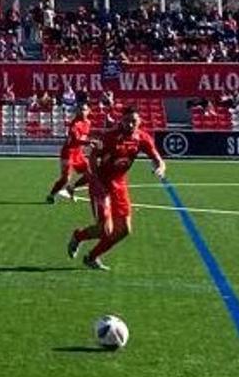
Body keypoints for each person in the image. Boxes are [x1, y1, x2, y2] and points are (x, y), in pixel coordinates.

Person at [66, 108, 166, 271]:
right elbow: (92, 156)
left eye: (134, 120)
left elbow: (157, 158)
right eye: (127, 120)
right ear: (121, 121)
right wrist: (95, 179)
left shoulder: (142, 138)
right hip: (101, 184)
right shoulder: (110, 137)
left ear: (140, 121)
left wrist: (161, 166)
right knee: (106, 229)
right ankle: (78, 236)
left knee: (124, 230)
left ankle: (92, 257)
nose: (130, 124)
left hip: (119, 184)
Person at [46, 102, 92, 204]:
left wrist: (89, 144)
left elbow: (84, 138)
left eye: (84, 109)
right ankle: (51, 195)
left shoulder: (88, 123)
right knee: (66, 178)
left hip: (78, 153)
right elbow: (76, 140)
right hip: (68, 153)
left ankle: (71, 188)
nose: (81, 112)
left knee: (90, 175)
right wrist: (90, 142)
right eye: (80, 109)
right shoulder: (75, 124)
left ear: (89, 111)